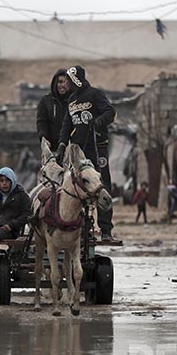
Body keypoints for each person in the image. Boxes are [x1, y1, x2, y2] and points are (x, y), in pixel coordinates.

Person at [57, 65, 116, 240]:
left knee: (101, 185)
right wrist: (61, 144)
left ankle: (106, 230)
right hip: (79, 151)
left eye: (69, 80)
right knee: (79, 187)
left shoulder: (95, 94)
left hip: (98, 147)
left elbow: (110, 112)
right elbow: (67, 125)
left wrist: (99, 122)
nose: (66, 83)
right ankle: (83, 229)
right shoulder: (72, 100)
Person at [36, 69, 69, 150]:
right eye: (60, 82)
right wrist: (43, 137)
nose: (63, 85)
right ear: (55, 83)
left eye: (66, 82)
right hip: (52, 147)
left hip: (70, 146)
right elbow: (42, 122)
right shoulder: (46, 101)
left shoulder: (74, 101)